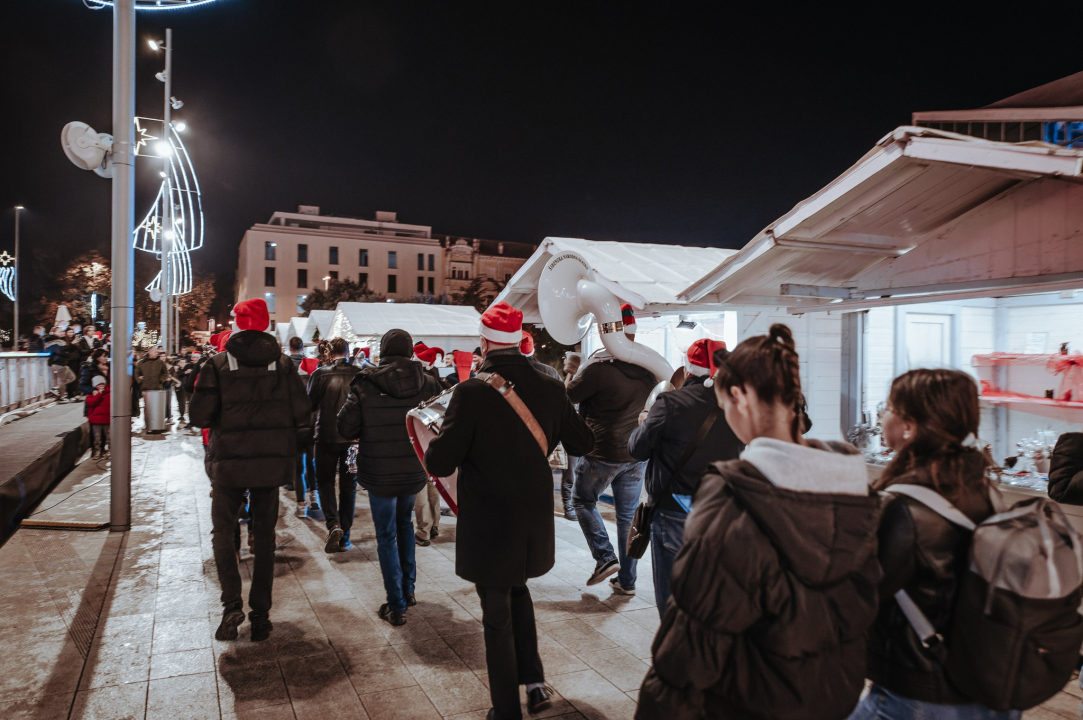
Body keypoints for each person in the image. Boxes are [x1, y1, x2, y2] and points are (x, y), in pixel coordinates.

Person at [637, 324, 881, 720]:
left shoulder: (734, 500)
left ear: (740, 396)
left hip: (749, 703)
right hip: (834, 699)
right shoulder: (856, 493)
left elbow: (690, 646)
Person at [425, 302, 594, 720]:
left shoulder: (470, 392)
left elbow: (440, 463)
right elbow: (584, 443)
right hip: (533, 516)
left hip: (490, 519)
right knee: (518, 589)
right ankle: (535, 685)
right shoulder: (552, 385)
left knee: (496, 610)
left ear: (483, 342)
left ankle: (506, 709)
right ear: (521, 341)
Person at [847, 369, 1016, 720]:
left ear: (909, 425)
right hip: (992, 689)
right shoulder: (986, 491)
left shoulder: (903, 506)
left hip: (922, 695)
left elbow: (857, 598)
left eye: (889, 407)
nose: (882, 416)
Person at [190, 298, 312, 643]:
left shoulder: (217, 364)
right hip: (270, 466)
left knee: (223, 533)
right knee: (266, 537)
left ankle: (231, 606)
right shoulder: (284, 364)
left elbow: (199, 416)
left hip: (228, 463)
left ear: (240, 324)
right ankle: (261, 616)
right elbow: (303, 416)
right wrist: (288, 450)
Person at [627, 338, 743, 615]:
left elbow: (636, 450)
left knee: (672, 600)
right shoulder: (738, 406)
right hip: (720, 512)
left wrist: (645, 420)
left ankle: (675, 653)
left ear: (688, 370)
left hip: (674, 512)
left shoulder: (670, 403)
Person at [338, 328, 443, 625]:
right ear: (410, 351)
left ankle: (396, 604)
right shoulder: (430, 383)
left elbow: (345, 428)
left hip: (379, 473)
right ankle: (408, 591)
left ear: (382, 352)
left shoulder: (365, 383)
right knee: (405, 524)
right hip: (413, 469)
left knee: (386, 535)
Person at [566, 303, 656, 593]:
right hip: (636, 454)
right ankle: (628, 581)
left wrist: (573, 370)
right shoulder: (648, 368)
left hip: (601, 453)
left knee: (582, 501)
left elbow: (567, 397)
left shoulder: (597, 369)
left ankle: (605, 557)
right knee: (628, 518)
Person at [307, 337, 361, 553]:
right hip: (352, 442)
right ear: (348, 352)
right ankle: (345, 534)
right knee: (349, 485)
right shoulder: (359, 374)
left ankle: (334, 525)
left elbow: (309, 404)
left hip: (326, 438)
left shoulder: (320, 374)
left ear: (330, 352)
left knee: (325, 482)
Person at [558, 352, 583, 521]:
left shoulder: (586, 380)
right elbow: (563, 397)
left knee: (581, 473)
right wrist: (569, 374)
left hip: (584, 432)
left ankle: (577, 505)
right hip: (571, 433)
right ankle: (568, 506)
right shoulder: (564, 381)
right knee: (571, 473)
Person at [135, 346, 170, 430]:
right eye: (154, 351)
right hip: (145, 388)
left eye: (157, 351)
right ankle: (147, 423)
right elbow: (136, 373)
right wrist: (140, 380)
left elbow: (165, 373)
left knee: (157, 407)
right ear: (149, 352)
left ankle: (157, 424)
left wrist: (160, 380)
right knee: (147, 407)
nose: (157, 352)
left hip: (157, 388)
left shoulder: (160, 363)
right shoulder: (141, 363)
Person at [85, 375, 111, 458]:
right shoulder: (91, 395)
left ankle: (110, 451)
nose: (101, 386)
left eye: (102, 384)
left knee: (109, 437)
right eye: (98, 384)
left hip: (107, 419)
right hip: (96, 420)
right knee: (97, 438)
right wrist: (98, 394)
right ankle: (97, 452)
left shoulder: (110, 393)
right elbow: (91, 403)